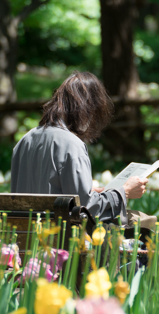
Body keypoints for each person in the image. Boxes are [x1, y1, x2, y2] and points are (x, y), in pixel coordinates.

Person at [10, 71, 147, 226]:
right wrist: (125, 191)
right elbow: (86, 209)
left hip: (23, 236)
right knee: (142, 224)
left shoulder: (26, 139)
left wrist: (90, 192)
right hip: (59, 241)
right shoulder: (71, 144)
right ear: (88, 109)